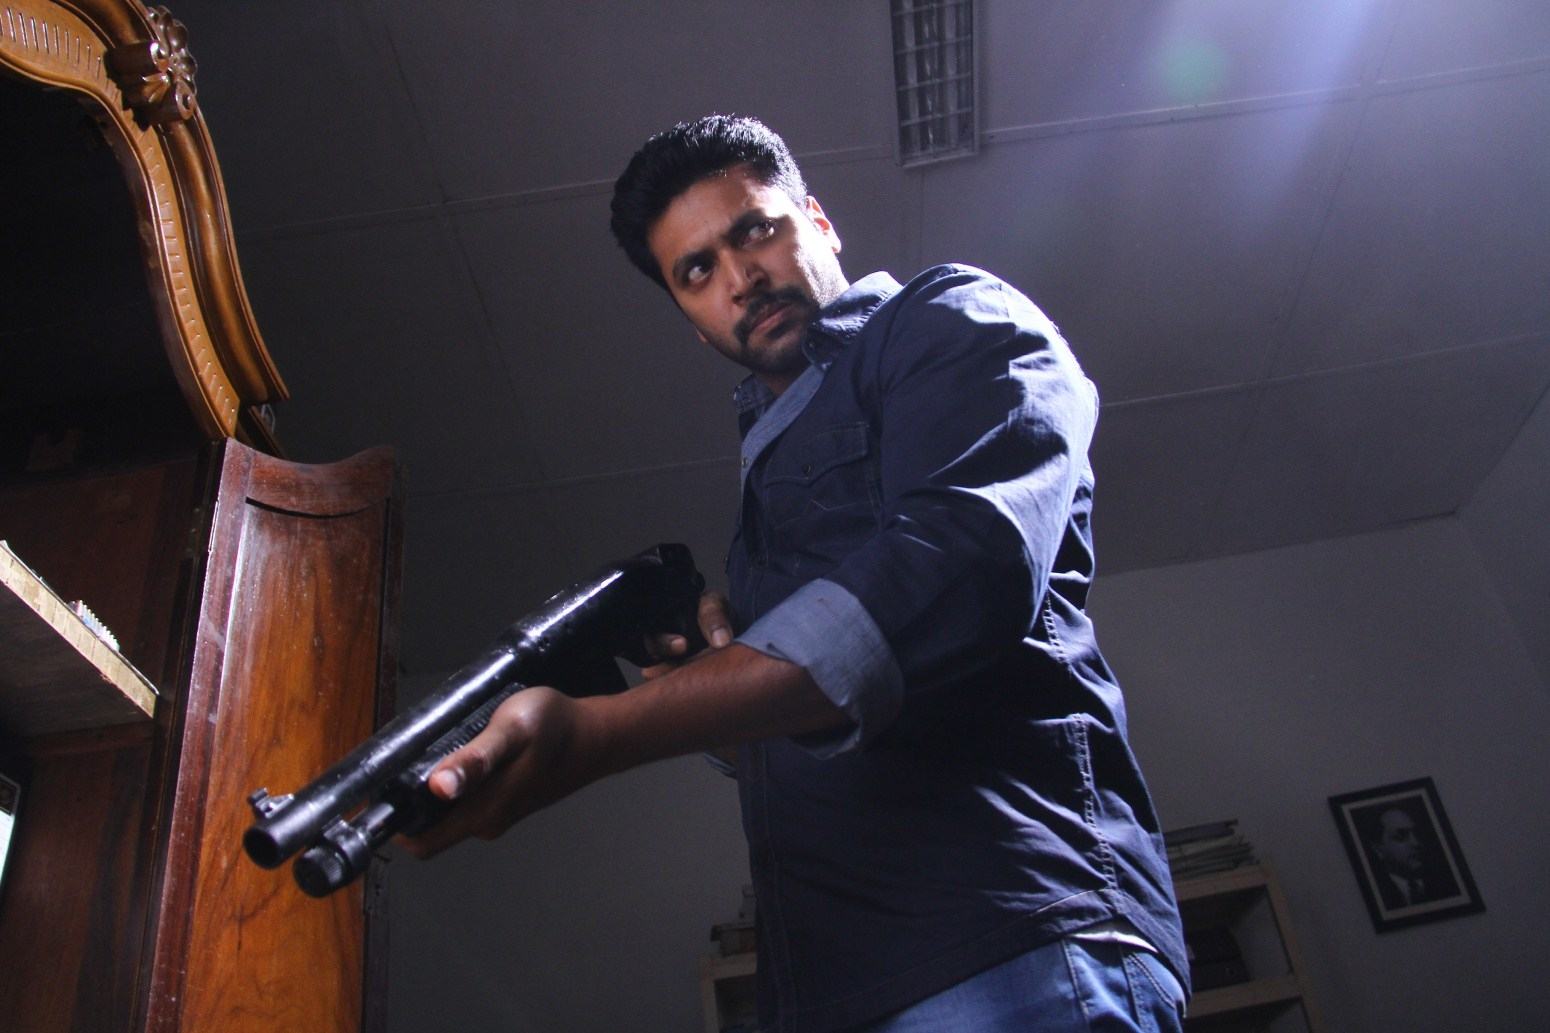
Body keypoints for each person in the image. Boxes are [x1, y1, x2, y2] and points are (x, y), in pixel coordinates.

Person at [409, 114, 1187, 1033]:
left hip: (1008, 937)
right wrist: (701, 685)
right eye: (697, 271)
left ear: (819, 222)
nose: (740, 277)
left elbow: (954, 575)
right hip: (832, 987)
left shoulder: (952, 317)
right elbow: (822, 737)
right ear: (692, 324)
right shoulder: (764, 489)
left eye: (755, 230)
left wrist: (601, 732)